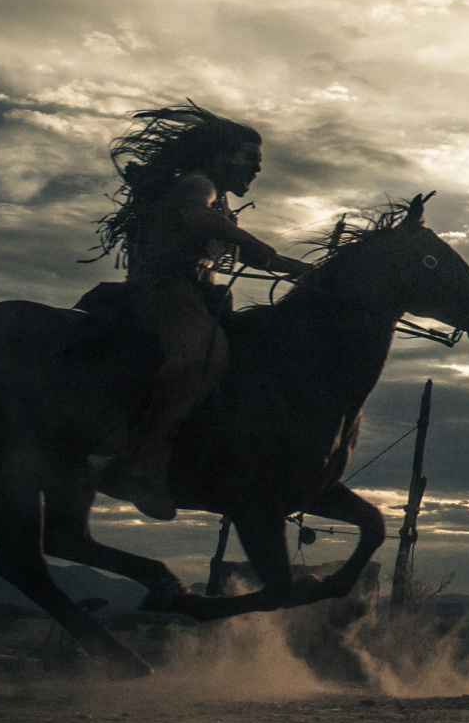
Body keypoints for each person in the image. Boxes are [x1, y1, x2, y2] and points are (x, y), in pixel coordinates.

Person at [85, 103, 312, 520]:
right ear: (221, 156)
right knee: (203, 359)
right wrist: (258, 245)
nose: (257, 168)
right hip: (165, 291)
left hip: (198, 295)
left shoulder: (218, 200)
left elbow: (246, 249)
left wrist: (297, 269)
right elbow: (195, 215)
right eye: (250, 157)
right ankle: (136, 461)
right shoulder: (198, 184)